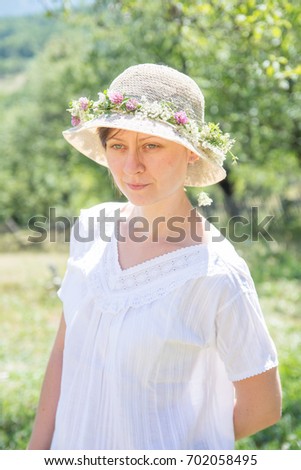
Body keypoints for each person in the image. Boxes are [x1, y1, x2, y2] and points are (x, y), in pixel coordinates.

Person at [28, 63, 281, 450]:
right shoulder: (91, 229)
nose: (132, 167)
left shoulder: (216, 274)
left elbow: (263, 407)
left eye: (151, 145)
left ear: (191, 153)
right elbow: (64, 353)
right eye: (118, 145)